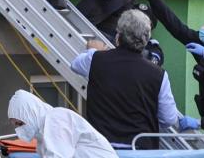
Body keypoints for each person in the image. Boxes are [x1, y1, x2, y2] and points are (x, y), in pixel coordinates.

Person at [69, 9, 193, 149]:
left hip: (101, 148)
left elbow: (75, 65)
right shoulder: (158, 74)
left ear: (118, 36)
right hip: (139, 149)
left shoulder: (96, 59)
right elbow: (169, 119)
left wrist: (93, 50)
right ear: (146, 40)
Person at [7, 89, 117, 158]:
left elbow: (58, 155)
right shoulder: (43, 136)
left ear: (31, 114)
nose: (19, 130)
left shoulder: (55, 119)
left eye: (20, 124)